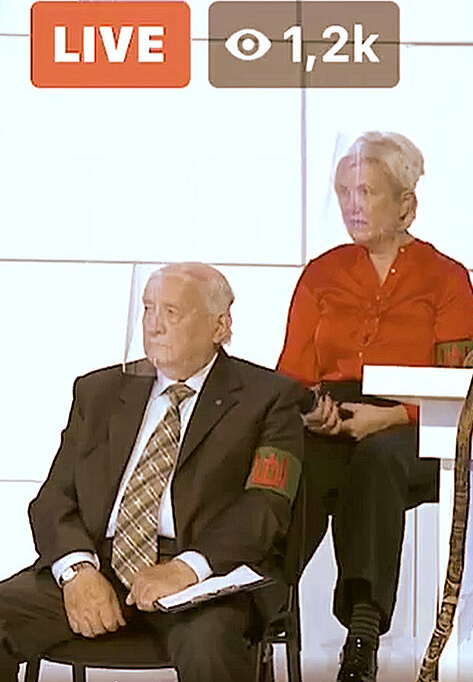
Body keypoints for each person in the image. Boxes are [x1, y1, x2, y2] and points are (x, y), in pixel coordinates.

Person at [0, 263, 305, 681]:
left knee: (210, 645)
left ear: (220, 325)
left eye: (171, 312)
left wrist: (187, 567)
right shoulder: (99, 392)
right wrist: (76, 571)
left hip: (206, 576)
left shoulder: (270, 398)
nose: (154, 325)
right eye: (148, 309)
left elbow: (266, 507)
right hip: (100, 562)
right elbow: (54, 499)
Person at [277, 131, 473, 682]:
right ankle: (264, 604)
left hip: (416, 422)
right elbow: (292, 373)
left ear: (406, 204)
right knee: (299, 460)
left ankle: (362, 631)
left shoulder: (445, 277)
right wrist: (311, 410)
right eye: (344, 192)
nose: (353, 205)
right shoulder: (321, 273)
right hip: (332, 414)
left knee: (375, 460)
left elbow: (459, 386)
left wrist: (392, 417)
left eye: (367, 192)